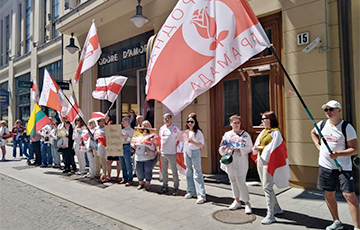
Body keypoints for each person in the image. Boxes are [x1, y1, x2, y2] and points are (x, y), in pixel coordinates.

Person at [310, 100, 359, 230]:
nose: (328, 112)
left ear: (339, 110)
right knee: (328, 194)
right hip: (325, 166)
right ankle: (336, 221)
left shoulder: (347, 127)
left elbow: (355, 149)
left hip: (343, 168)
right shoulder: (322, 124)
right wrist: (317, 145)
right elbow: (313, 133)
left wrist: (339, 154)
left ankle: (357, 227)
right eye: (326, 110)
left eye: (331, 109)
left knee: (349, 195)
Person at [252, 111, 289, 224]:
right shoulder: (265, 131)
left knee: (267, 187)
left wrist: (260, 148)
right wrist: (258, 148)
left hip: (268, 161)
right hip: (261, 160)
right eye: (262, 119)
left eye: (264, 119)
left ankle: (270, 214)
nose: (262, 121)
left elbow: (274, 148)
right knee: (266, 186)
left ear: (270, 119)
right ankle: (277, 208)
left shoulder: (275, 132)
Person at [219, 114, 253, 213]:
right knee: (233, 182)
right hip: (230, 162)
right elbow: (221, 147)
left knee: (241, 182)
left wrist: (240, 149)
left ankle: (247, 203)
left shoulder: (245, 135)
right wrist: (223, 148)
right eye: (235, 123)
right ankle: (236, 200)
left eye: (238, 122)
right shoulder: (227, 134)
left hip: (241, 161)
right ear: (231, 124)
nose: (237, 124)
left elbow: (250, 147)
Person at [184, 115, 207, 204]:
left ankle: (201, 194)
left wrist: (192, 141)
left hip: (195, 152)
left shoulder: (198, 132)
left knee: (197, 172)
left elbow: (201, 144)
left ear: (195, 123)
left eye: (192, 122)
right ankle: (191, 191)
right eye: (188, 122)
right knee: (188, 172)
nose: (190, 123)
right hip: (187, 152)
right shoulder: (186, 132)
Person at [158, 113, 180, 195]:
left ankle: (176, 187)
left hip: (172, 153)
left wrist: (177, 142)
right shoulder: (162, 128)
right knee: (164, 171)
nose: (167, 120)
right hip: (163, 152)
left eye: (168, 118)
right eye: (165, 118)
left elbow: (180, 138)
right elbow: (160, 139)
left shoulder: (175, 128)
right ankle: (165, 186)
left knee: (174, 171)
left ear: (171, 119)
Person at [133, 120, 158, 191]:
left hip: (148, 156)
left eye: (147, 125)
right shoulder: (138, 134)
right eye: (144, 125)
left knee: (147, 170)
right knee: (139, 170)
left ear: (150, 126)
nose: (145, 127)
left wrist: (153, 142)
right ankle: (140, 183)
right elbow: (133, 142)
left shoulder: (153, 134)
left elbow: (157, 144)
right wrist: (133, 145)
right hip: (139, 155)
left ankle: (147, 184)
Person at [119, 117, 134, 186]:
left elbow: (132, 140)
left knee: (128, 163)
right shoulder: (122, 130)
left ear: (127, 122)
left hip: (127, 146)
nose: (122, 123)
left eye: (123, 122)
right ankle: (124, 178)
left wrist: (126, 137)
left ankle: (130, 179)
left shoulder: (131, 130)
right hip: (121, 146)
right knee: (122, 163)